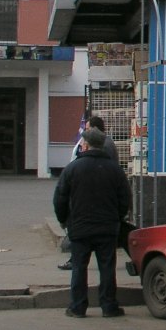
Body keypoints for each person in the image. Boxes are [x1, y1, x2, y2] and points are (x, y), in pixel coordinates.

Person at [53, 126, 132, 318]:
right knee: (107, 269)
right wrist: (117, 218)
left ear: (86, 145)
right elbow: (125, 199)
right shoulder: (115, 169)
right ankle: (109, 306)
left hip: (80, 228)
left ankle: (77, 307)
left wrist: (64, 220)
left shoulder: (72, 168)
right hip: (107, 228)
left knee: (79, 268)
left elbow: (60, 198)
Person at [59, 115, 119, 269]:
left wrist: (64, 218)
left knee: (85, 262)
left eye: (87, 128)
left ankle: (75, 264)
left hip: (91, 210)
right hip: (99, 213)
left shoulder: (105, 147)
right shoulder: (96, 150)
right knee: (104, 265)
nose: (84, 132)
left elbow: (61, 195)